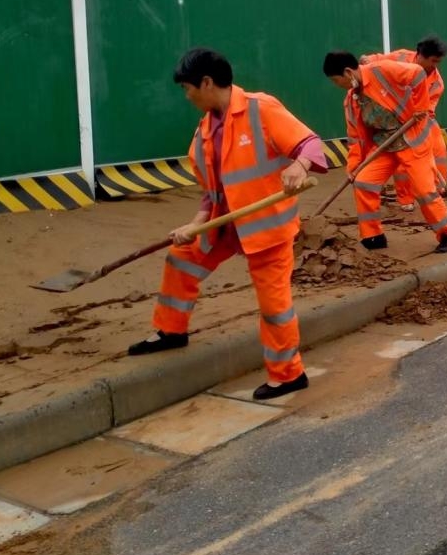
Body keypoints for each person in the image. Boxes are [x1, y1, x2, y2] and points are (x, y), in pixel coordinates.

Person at [128, 48, 325, 400]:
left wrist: (300, 165)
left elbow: (310, 143)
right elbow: (212, 192)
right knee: (181, 259)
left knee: (274, 307)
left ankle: (288, 375)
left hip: (265, 227)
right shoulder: (205, 131)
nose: (186, 96)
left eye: (188, 88)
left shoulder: (260, 109)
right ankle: (171, 331)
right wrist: (194, 225)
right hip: (225, 224)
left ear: (206, 82)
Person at [323, 51, 447, 254]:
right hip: (385, 146)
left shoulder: (381, 70)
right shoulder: (351, 100)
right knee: (364, 182)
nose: (337, 85)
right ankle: (373, 236)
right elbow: (355, 138)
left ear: (348, 72)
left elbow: (418, 74)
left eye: (336, 80)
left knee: (423, 190)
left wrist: (420, 107)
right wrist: (353, 168)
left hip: (412, 140)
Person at [361, 37, 447, 209]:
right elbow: (370, 61)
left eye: (438, 62)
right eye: (433, 61)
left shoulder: (437, 83)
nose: (435, 66)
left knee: (438, 147)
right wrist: (366, 60)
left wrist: (415, 121)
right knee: (402, 156)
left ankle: (439, 189)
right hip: (390, 115)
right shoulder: (401, 57)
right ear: (420, 55)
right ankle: (406, 198)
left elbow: (427, 111)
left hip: (417, 119)